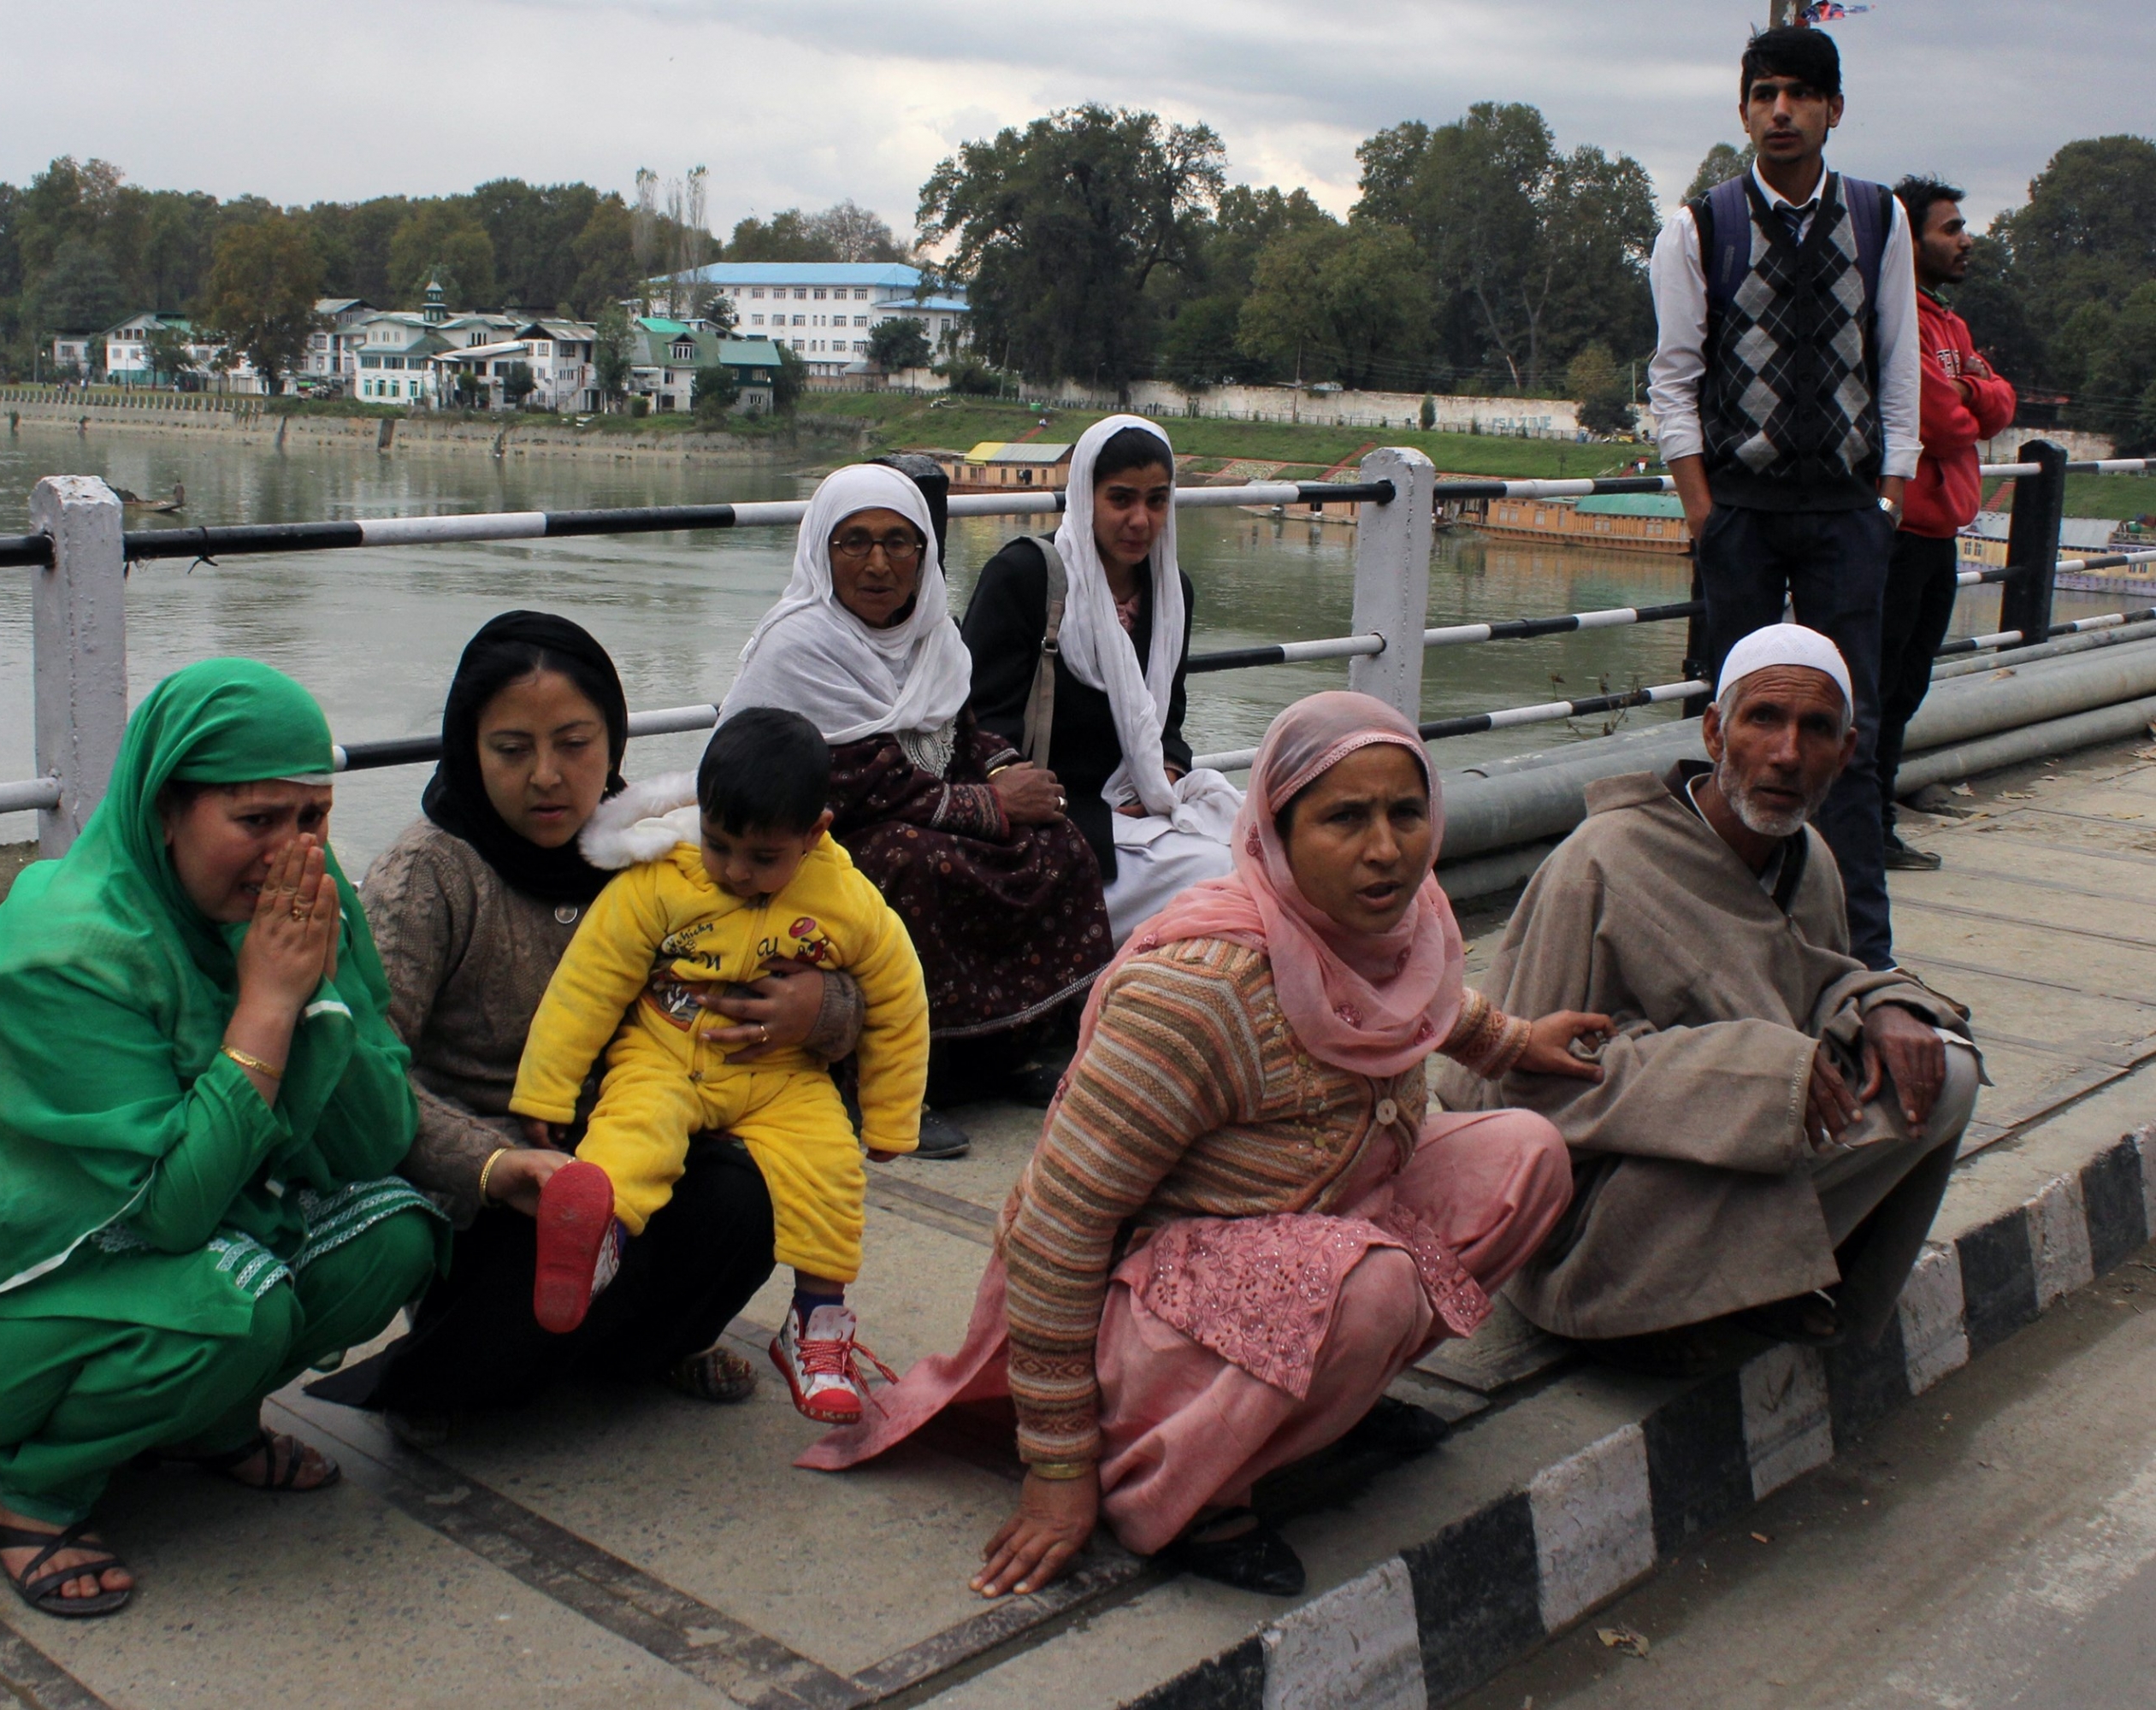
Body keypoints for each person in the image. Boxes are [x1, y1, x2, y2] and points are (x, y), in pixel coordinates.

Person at [801, 692, 1601, 1595]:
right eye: (1345, 818)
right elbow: (1055, 1231)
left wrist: (1516, 1043)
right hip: (1151, 1306)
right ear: (1276, 831)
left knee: (1527, 1156)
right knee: (1374, 1284)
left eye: (1405, 812)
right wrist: (1055, 1469)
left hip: (1310, 1235)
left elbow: (1423, 1003)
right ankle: (1180, 1489)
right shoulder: (1201, 990)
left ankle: (1323, 1403)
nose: (1386, 848)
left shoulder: (1399, 924)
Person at [0, 660, 446, 1617]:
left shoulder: (293, 916)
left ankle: (205, 1421)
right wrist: (267, 1008)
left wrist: (327, 985)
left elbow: (376, 1136)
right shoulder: (63, 949)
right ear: (164, 809)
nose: (290, 850)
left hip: (155, 1264)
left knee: (393, 1234)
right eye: (255, 819)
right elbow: (174, 1211)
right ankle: (27, 1494)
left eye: (311, 818)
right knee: (240, 1296)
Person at [308, 613, 862, 1425]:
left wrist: (821, 1010)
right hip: (497, 1188)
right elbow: (368, 1071)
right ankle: (546, 1349)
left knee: (749, 1197)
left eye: (574, 743)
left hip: (643, 1132)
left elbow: (839, 950)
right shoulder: (428, 874)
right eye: (511, 749)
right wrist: (495, 1166)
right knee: (528, 1290)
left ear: (613, 739)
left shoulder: (663, 850)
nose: (547, 776)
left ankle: (633, 1350)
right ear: (467, 748)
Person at [1436, 624, 1981, 1367]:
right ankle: (1673, 1305)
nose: (1787, 754)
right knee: (1785, 1096)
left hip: (1729, 1155)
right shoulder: (1600, 862)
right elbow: (1517, 1091)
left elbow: (1813, 981)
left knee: (1941, 1073)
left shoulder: (1808, 857)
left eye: (1815, 729)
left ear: (1845, 753)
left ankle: (1782, 1285)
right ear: (1715, 733)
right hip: (1599, 1217)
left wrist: (1884, 1003)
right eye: (1762, 720)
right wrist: (1753, 1075)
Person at [512, 707, 931, 1423]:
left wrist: (891, 1117)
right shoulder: (657, 882)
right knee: (632, 1130)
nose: (736, 872)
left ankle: (815, 1326)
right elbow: (588, 982)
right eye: (719, 845)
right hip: (664, 1053)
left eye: (763, 858)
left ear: (814, 832)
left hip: (781, 1077)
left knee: (829, 1171)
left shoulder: (848, 903)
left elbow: (900, 1000)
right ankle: (596, 1242)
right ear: (698, 816)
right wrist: (545, 1093)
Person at [719, 462, 1113, 1127]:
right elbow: (843, 776)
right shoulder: (798, 645)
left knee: (1057, 841)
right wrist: (989, 806)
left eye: (899, 543)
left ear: (924, 553)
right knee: (916, 862)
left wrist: (1004, 771)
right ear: (822, 551)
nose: (878, 564)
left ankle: (1004, 1052)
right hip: (826, 834)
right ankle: (897, 1080)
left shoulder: (932, 636)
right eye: (855, 543)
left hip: (921, 809)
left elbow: (957, 732)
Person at [1649, 24, 1922, 970]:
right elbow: (1673, 378)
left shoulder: (1879, 222)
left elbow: (1899, 372)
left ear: (1833, 110)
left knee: (1850, 730)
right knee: (1737, 724)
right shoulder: (1701, 227)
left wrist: (1886, 502)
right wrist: (1702, 511)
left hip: (1846, 508)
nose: (1780, 113)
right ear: (1743, 109)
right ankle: (1723, 940)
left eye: (1800, 96)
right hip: (1742, 509)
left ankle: (1862, 961)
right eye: (1764, 94)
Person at [962, 414, 1240, 942]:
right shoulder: (1025, 577)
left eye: (1157, 500)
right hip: (1057, 817)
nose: (1141, 520)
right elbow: (980, 719)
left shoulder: (1170, 591)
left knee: (1260, 845)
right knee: (1219, 875)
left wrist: (1170, 770)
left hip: (1141, 801)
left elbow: (1168, 717)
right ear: (1084, 496)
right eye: (1121, 499)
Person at [1877, 176, 2016, 872]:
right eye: (1950, 229)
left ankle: (1872, 823)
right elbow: (1937, 419)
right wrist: (1969, 399)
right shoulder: (1895, 320)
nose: (1965, 241)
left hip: (1935, 536)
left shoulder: (1949, 325)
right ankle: (1860, 828)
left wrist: (1969, 393)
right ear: (1909, 240)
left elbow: (2000, 401)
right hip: (1895, 533)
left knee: (1904, 686)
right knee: (1874, 685)